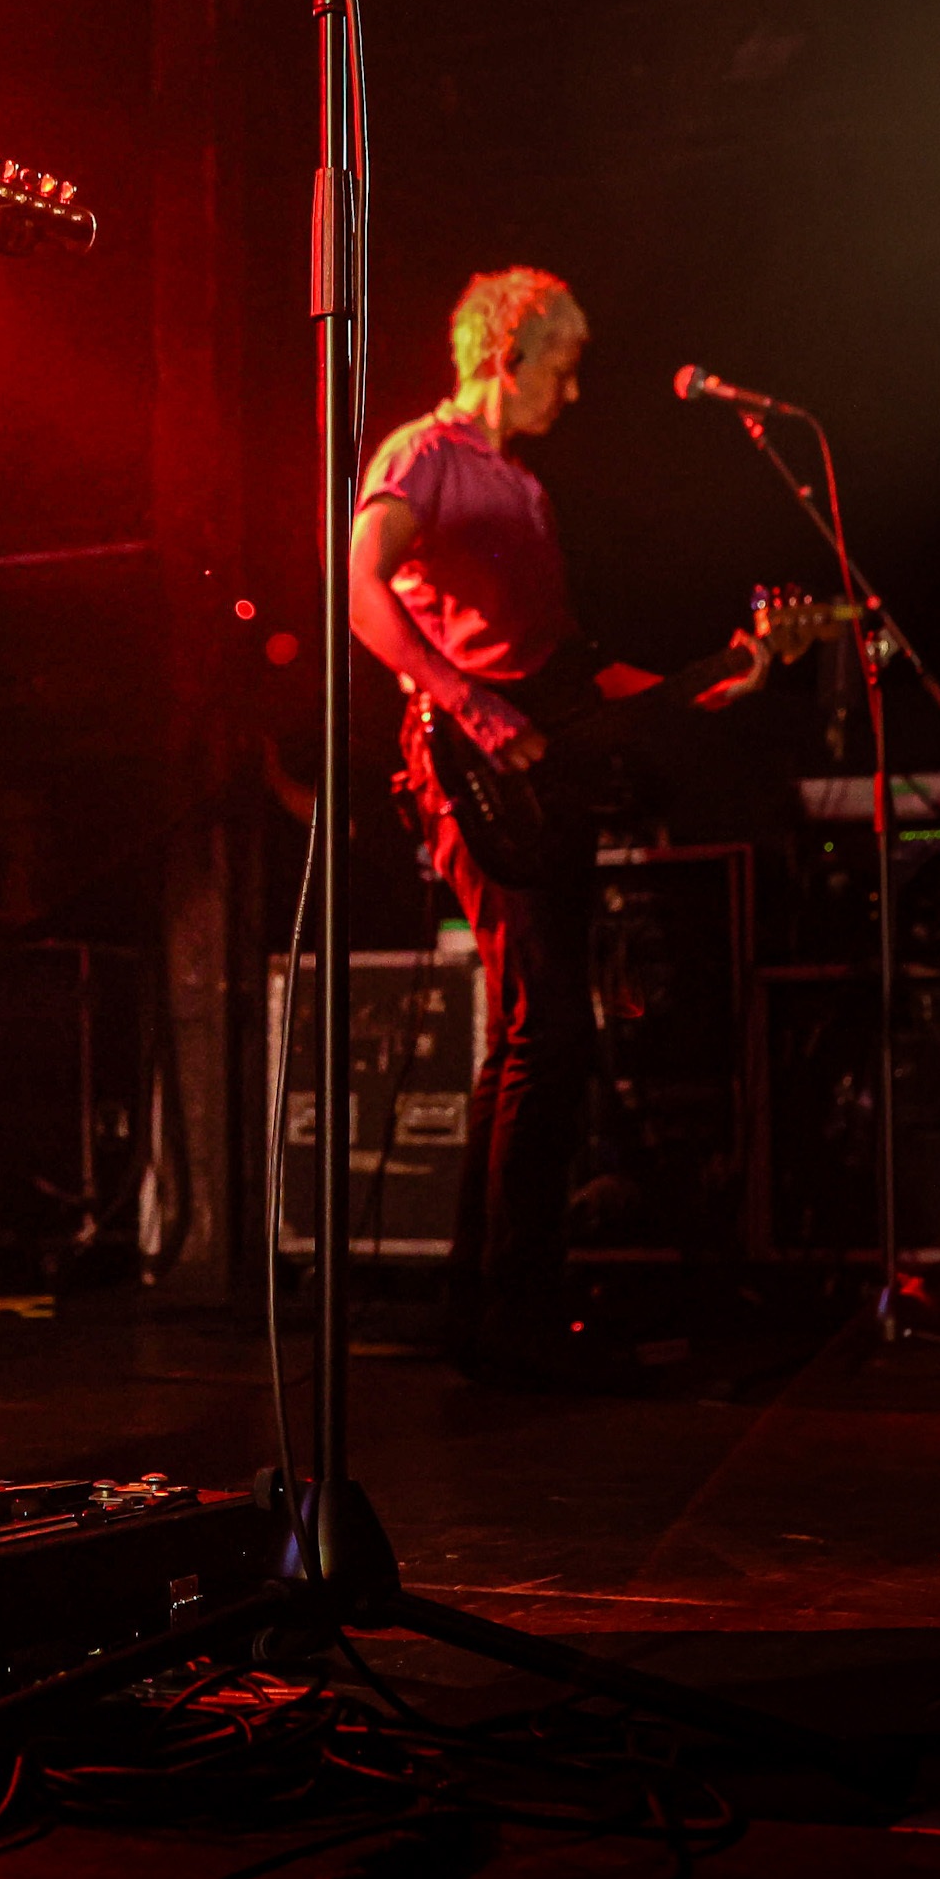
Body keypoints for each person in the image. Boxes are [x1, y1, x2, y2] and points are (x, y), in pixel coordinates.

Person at [348, 267, 772, 1383]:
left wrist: (708, 680)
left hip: (543, 767)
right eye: (565, 363)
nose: (573, 390)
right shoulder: (421, 455)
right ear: (508, 349)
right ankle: (514, 1311)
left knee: (535, 1030)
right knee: (552, 1031)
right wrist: (472, 707)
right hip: (471, 766)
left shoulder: (522, 489)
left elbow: (570, 674)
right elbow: (362, 591)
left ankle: (486, 1306)